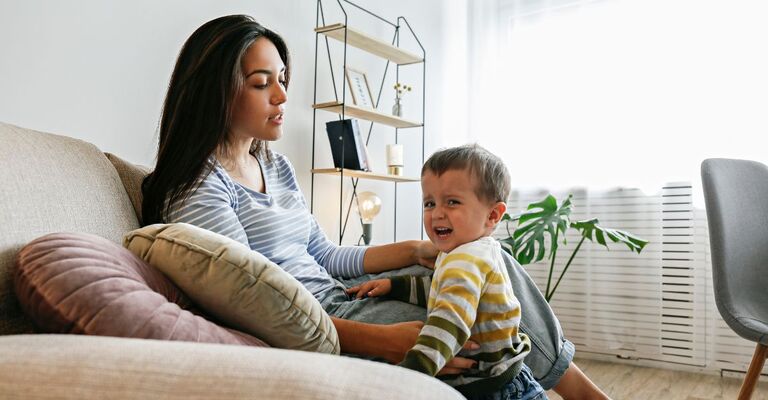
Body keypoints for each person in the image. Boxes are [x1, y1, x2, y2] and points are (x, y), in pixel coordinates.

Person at [140, 14, 610, 399]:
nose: (283, 96)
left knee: (486, 257)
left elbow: (325, 256)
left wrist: (414, 251)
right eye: (263, 83)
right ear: (215, 91)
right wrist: (383, 341)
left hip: (342, 292)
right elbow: (252, 309)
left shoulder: (275, 165)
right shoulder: (200, 187)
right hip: (320, 317)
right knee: (467, 325)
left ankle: (584, 393)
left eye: (282, 79)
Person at [346, 144, 545, 399]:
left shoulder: (465, 261)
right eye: (429, 203)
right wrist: (395, 286)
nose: (437, 214)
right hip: (505, 373)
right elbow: (439, 290)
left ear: (493, 215)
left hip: (493, 388)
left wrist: (410, 374)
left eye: (452, 202)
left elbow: (449, 322)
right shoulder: (474, 248)